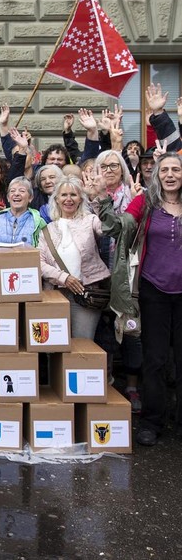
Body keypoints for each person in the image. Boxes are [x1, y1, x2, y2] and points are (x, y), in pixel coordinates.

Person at [90, 153, 182, 446]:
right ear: (157, 175)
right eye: (164, 169)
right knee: (154, 359)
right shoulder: (146, 203)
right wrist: (103, 198)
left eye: (176, 169)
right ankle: (152, 422)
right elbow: (117, 227)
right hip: (153, 291)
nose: (170, 174)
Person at [38, 176, 110, 340]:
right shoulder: (47, 229)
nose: (68, 199)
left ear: (80, 199)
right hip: (55, 293)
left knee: (83, 344)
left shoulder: (91, 220)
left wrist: (99, 197)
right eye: (64, 195)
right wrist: (64, 278)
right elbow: (39, 263)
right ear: (56, 199)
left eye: (73, 195)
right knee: (54, 344)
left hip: (86, 292)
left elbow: (107, 228)